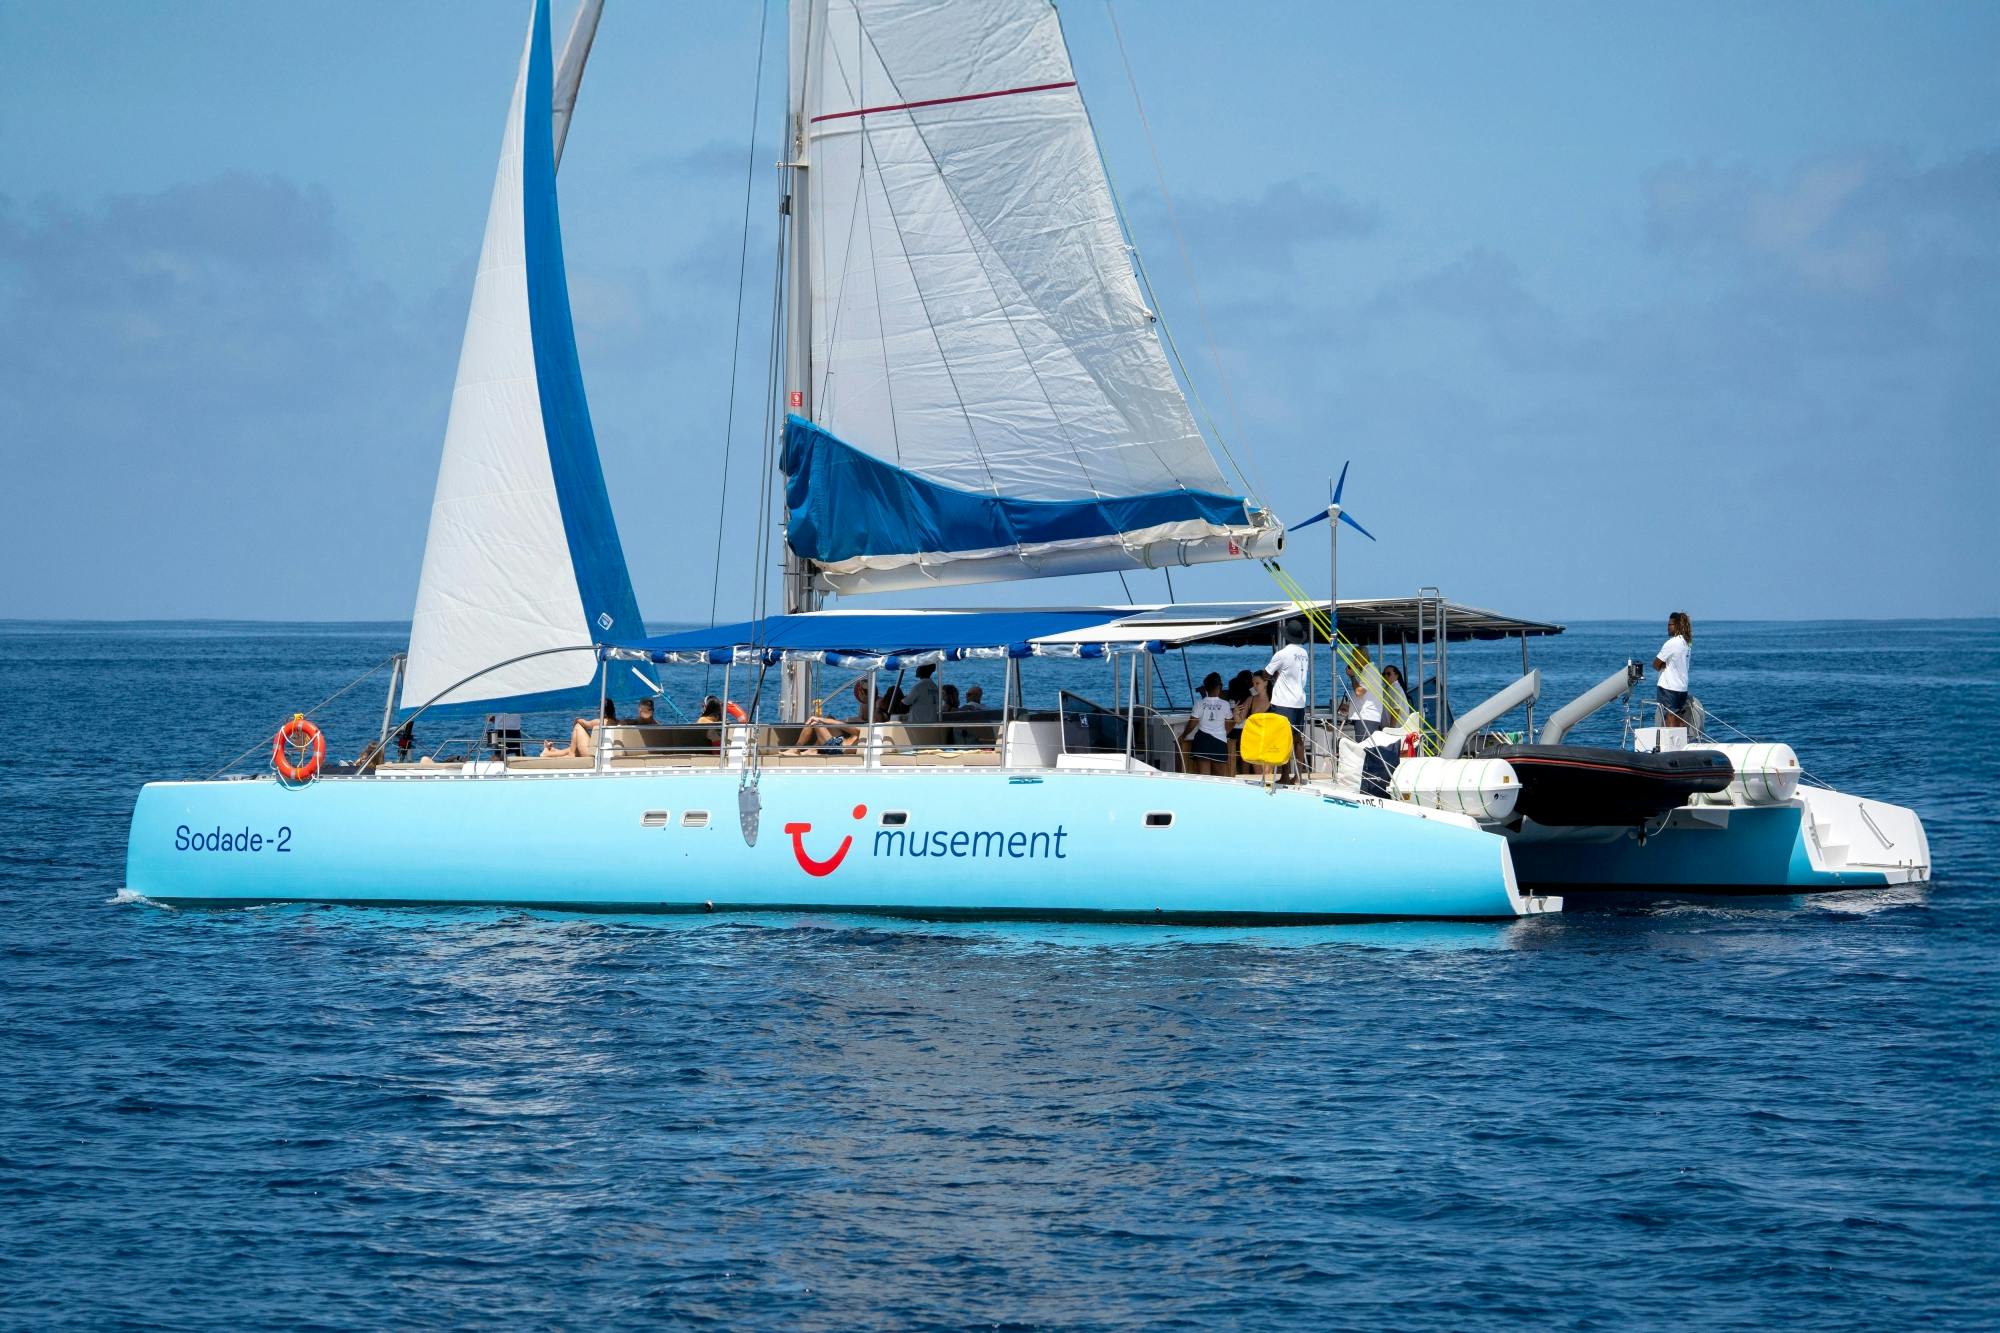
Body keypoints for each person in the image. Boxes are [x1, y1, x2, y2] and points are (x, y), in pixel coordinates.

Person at [1263, 627, 1308, 782]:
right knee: (1297, 739)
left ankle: (1284, 776)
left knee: (1284, 739)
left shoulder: (1282, 654)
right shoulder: (1304, 653)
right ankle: (1299, 775)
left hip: (1283, 702)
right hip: (1299, 701)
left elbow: (1265, 674)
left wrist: (1275, 674)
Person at [788, 679, 873, 755]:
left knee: (815, 723)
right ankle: (813, 749)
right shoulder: (866, 724)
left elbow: (845, 726)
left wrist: (820, 719)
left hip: (836, 748)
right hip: (839, 742)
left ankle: (796, 749)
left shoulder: (864, 731)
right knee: (830, 717)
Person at [1180, 674, 1232, 776]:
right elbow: (1230, 723)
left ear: (1205, 688)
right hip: (1219, 743)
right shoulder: (1225, 704)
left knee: (1204, 776)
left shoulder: (1199, 703)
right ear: (1219, 686)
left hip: (1202, 741)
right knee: (1220, 777)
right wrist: (1223, 733)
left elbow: (1192, 724)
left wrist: (1183, 735)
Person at [1652, 611, 1694, 730]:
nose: (1668, 627)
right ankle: (1680, 744)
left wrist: (1663, 664)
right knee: (1679, 717)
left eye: (1670, 625)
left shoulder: (1671, 643)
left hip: (1668, 687)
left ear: (1677, 626)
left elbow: (1655, 664)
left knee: (1670, 717)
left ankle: (1671, 745)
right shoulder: (1686, 643)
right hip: (1682, 687)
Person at [542, 698, 616, 758]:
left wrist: (577, 720)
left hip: (595, 755)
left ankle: (548, 754)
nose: (597, 711)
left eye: (599, 709)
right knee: (575, 747)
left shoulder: (600, 722)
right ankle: (554, 751)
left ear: (601, 711)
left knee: (578, 726)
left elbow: (583, 723)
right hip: (609, 754)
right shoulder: (617, 722)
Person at [1346, 648, 1385, 740]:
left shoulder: (1369, 671)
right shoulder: (1366, 671)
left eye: (1354, 656)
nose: (1353, 660)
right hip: (1367, 717)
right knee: (1366, 748)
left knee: (1364, 749)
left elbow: (1359, 692)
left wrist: (1352, 677)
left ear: (1362, 657)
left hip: (1366, 717)